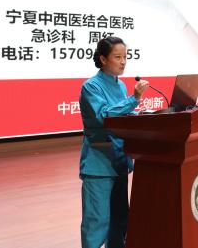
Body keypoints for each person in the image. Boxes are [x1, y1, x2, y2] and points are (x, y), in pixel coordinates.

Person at [79, 36, 149, 248]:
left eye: (125, 57)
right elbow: (105, 116)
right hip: (99, 163)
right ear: (103, 59)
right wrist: (133, 100)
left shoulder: (121, 86)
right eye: (118, 57)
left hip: (119, 160)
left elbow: (122, 117)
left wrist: (142, 115)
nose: (123, 61)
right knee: (97, 221)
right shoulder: (91, 87)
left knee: (119, 219)